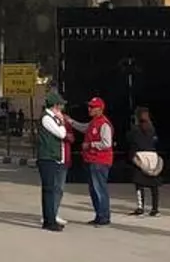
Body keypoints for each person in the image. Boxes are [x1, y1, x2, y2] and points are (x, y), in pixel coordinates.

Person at [35, 92, 81, 232]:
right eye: (60, 106)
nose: (62, 108)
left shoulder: (51, 118)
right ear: (55, 106)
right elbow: (61, 134)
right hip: (47, 158)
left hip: (53, 157)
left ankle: (50, 218)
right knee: (49, 190)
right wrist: (61, 121)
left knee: (51, 189)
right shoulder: (47, 118)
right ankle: (49, 221)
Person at [82, 97, 115, 227]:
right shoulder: (93, 122)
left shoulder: (104, 124)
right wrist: (70, 122)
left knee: (100, 189)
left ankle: (104, 217)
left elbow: (107, 143)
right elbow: (83, 127)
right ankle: (99, 215)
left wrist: (91, 145)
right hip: (91, 160)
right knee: (94, 190)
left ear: (100, 109)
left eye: (92, 107)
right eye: (89, 106)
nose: (89, 109)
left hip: (100, 161)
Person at [129, 106, 163, 217]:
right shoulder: (152, 129)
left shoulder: (135, 129)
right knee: (154, 185)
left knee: (139, 184)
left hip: (140, 156)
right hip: (152, 156)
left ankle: (140, 208)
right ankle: (155, 209)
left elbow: (131, 141)